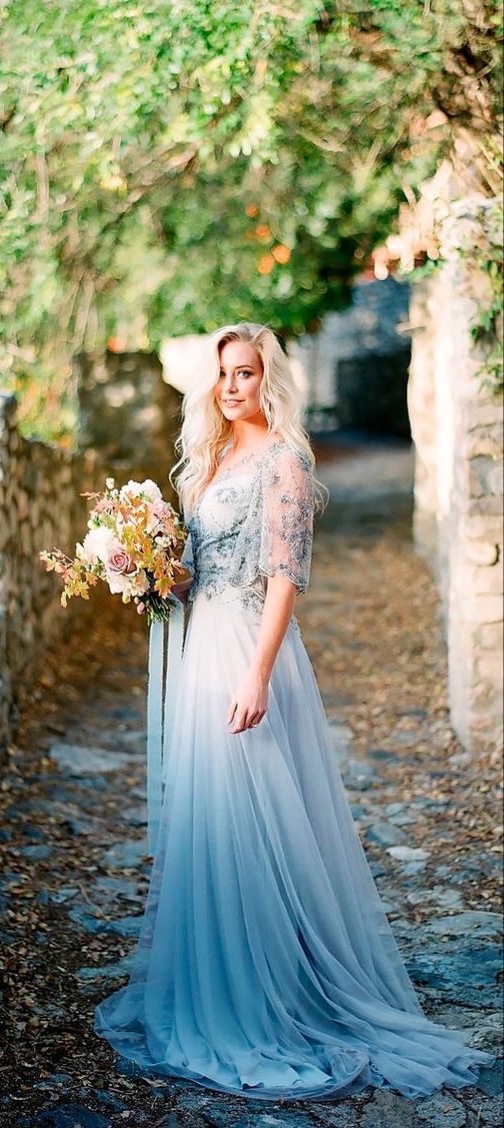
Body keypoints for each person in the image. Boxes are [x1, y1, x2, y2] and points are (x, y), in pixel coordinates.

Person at [94, 321, 493, 1101]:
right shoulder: (211, 460)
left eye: (245, 373)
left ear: (267, 376)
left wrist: (259, 673)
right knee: (213, 811)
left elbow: (284, 576)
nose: (232, 387)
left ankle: (278, 985)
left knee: (263, 814)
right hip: (203, 642)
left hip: (248, 648)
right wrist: (147, 571)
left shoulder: (284, 459)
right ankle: (222, 970)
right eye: (223, 375)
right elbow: (197, 572)